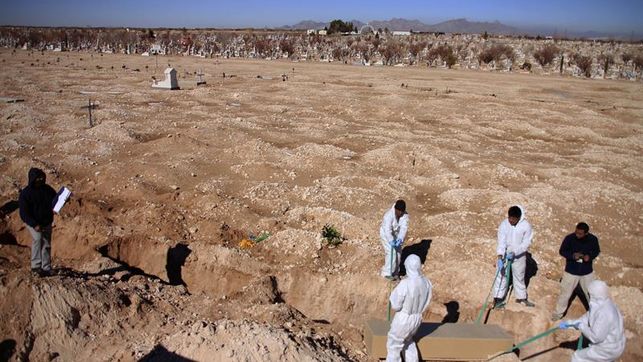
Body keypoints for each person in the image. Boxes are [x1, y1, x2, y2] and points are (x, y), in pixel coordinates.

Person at [559, 280, 626, 362]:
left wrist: (581, 326)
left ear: (595, 295)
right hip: (616, 345)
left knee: (577, 357)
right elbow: (589, 317)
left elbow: (596, 337)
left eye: (589, 293)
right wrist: (569, 323)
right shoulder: (605, 304)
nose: (588, 294)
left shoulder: (604, 313)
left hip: (607, 350)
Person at [386, 254, 432, 362]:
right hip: (417, 318)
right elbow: (427, 301)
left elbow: (396, 305)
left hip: (404, 318)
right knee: (408, 341)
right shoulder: (427, 283)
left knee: (394, 344)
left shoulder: (405, 284)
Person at [552, 222, 600, 321]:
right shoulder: (569, 238)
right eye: (576, 232)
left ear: (586, 233)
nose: (577, 235)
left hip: (586, 272)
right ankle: (557, 314)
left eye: (580, 234)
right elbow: (562, 251)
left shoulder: (593, 240)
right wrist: (573, 256)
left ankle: (595, 316)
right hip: (571, 271)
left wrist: (589, 257)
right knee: (565, 294)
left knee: (591, 294)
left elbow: (596, 251)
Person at [493, 205, 535, 308]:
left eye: (513, 219)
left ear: (519, 218)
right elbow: (501, 241)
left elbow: (526, 243)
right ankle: (498, 298)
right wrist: (500, 256)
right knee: (501, 274)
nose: (510, 220)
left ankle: (521, 297)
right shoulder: (504, 224)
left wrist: (515, 252)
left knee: (519, 275)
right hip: (505, 254)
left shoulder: (526, 226)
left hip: (519, 256)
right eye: (509, 218)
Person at [19, 168, 57, 277]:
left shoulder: (47, 190)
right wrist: (34, 224)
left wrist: (62, 201)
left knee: (46, 243)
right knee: (37, 239)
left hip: (46, 221)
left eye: (42, 177)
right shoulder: (26, 194)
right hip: (33, 223)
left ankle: (46, 267)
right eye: (38, 178)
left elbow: (55, 199)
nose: (40, 180)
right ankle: (35, 266)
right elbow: (24, 213)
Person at [380, 200, 409, 279]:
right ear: (396, 209)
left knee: (398, 253)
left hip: (396, 235)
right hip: (386, 235)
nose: (400, 214)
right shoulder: (388, 216)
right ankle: (386, 273)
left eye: (402, 212)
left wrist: (400, 239)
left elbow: (404, 228)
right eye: (399, 212)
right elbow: (387, 230)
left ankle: (395, 272)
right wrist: (390, 240)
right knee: (391, 252)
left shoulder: (405, 215)